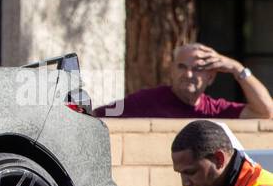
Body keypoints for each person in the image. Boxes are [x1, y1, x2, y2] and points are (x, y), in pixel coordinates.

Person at [95, 43, 273, 119]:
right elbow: (96, 116)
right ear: (172, 71)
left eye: (197, 69)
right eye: (182, 67)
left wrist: (237, 68)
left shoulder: (215, 110)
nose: (188, 74)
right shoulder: (147, 100)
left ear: (210, 78)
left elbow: (266, 112)